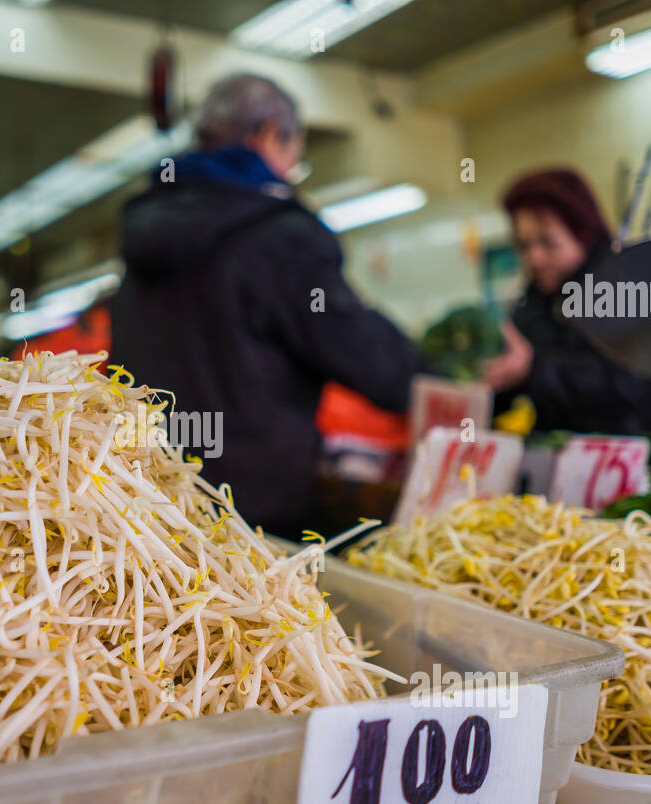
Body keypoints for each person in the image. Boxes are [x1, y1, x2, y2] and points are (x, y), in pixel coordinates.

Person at [110, 73, 423, 540]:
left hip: (145, 507)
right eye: (296, 149)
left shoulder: (147, 230)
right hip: (250, 521)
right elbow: (361, 350)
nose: (295, 167)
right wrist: (440, 381)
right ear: (269, 134)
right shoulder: (277, 235)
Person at [483, 168, 651, 438]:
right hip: (569, 466)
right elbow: (514, 382)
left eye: (547, 243)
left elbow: (629, 384)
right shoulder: (535, 303)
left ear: (582, 234)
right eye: (524, 245)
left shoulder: (624, 286)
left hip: (634, 457)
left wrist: (534, 369)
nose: (535, 258)